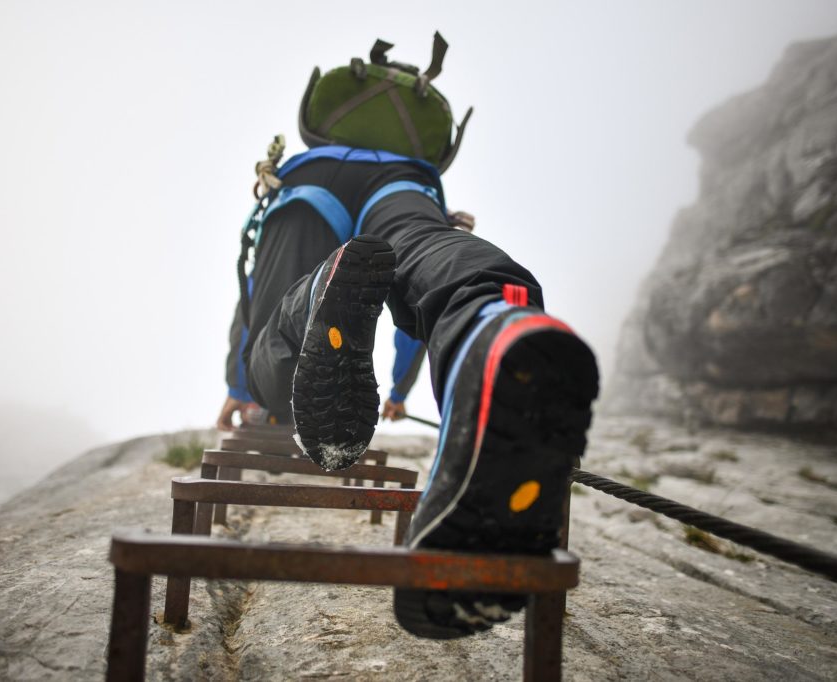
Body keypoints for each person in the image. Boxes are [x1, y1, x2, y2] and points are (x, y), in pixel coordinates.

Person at [219, 33, 599, 638]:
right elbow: (408, 300)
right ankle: (492, 317)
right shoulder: (407, 164)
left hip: (305, 188)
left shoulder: (304, 162)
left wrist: (240, 385)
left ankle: (318, 297)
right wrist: (399, 387)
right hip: (403, 184)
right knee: (427, 246)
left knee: (276, 345)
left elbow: (249, 300)